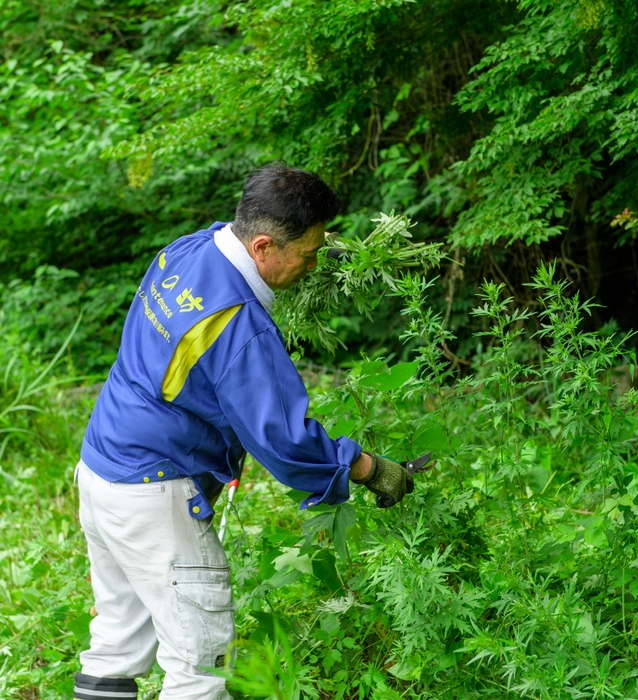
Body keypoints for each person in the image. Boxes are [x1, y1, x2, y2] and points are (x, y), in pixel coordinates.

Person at [73, 165, 414, 700]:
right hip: (155, 493)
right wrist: (369, 468)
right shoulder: (239, 326)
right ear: (262, 246)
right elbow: (284, 438)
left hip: (101, 470)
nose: (314, 265)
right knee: (202, 663)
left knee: (116, 643)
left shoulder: (189, 250)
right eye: (308, 254)